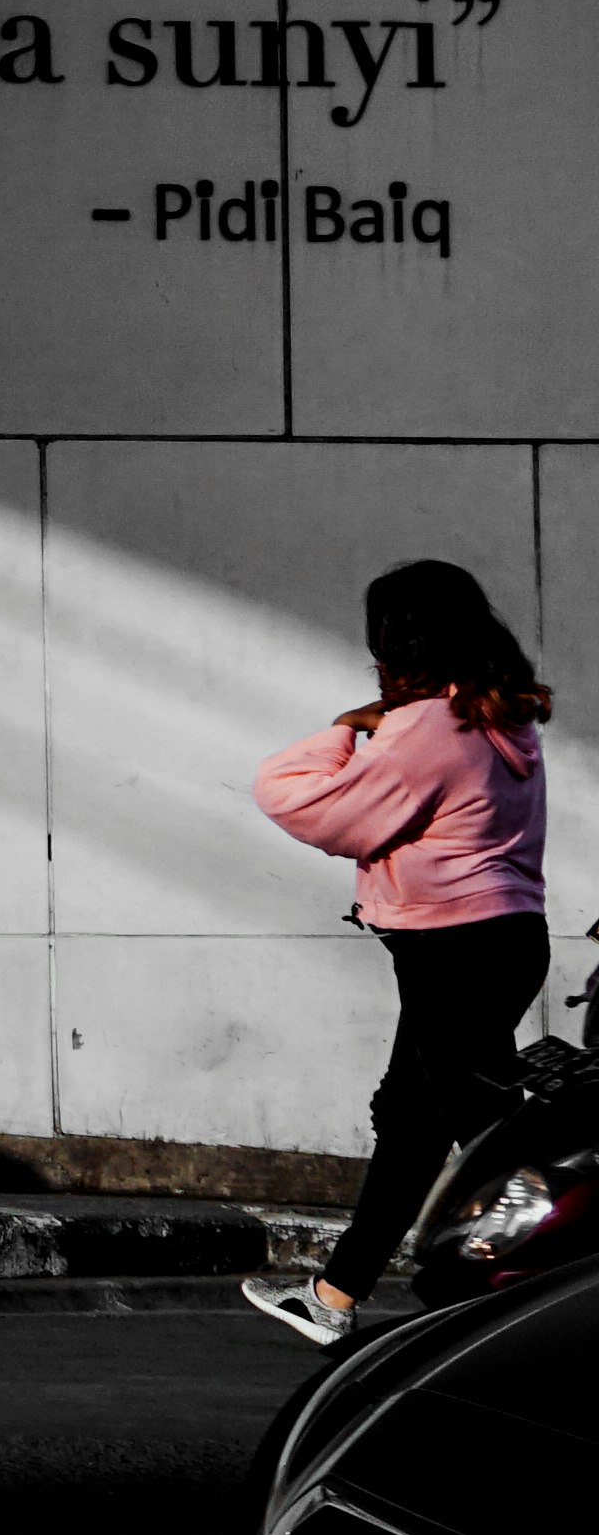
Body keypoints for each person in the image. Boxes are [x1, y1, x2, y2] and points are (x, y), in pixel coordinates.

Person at [241, 558, 556, 1346]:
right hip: (500, 939)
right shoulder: (499, 711)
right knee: (417, 1121)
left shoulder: (425, 729)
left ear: (398, 640)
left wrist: (350, 727)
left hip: (454, 951)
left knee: (491, 1126)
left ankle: (545, 1284)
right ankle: (333, 1295)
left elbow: (300, 798)